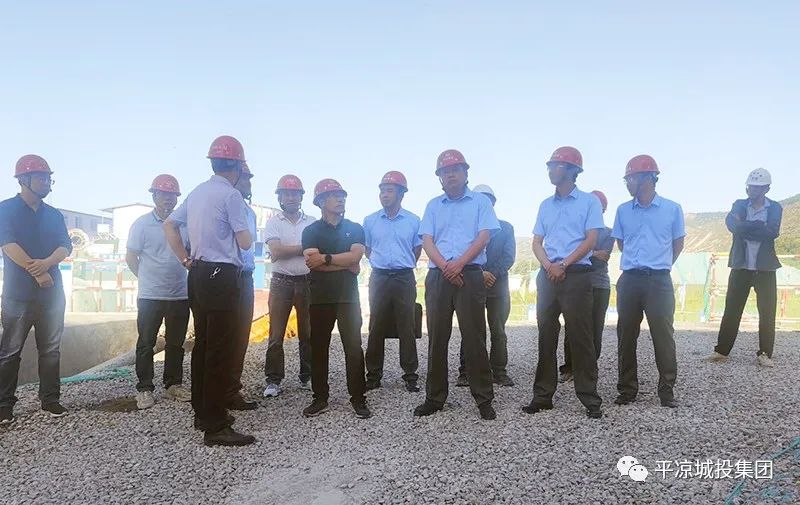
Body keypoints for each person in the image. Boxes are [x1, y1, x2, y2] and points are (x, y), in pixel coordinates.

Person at [164, 135, 255, 446]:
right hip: (222, 275)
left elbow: (169, 225)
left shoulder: (198, 192)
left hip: (199, 273)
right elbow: (245, 242)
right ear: (238, 167)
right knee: (220, 350)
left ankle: (202, 412)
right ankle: (215, 426)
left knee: (203, 345)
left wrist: (184, 257)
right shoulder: (231, 196)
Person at [414, 149, 499, 421]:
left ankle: (483, 398)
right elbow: (427, 240)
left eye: (455, 170)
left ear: (465, 173)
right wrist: (445, 267)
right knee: (437, 338)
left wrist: (459, 263)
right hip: (439, 275)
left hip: (470, 273)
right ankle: (434, 397)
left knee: (474, 337)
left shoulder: (480, 202)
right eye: (445, 171)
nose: (450, 175)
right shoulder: (433, 205)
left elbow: (484, 237)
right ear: (439, 177)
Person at [522, 146, 603, 419]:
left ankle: (590, 398)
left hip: (576, 274)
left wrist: (564, 264)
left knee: (581, 337)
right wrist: (549, 266)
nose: (550, 170)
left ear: (572, 170)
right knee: (546, 335)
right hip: (548, 274)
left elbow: (591, 239)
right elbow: (536, 242)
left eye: (555, 165)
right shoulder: (545, 205)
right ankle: (542, 396)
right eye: (549, 166)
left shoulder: (589, 202)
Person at [0, 155, 72, 425]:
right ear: (23, 180)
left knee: (51, 349)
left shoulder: (53, 214)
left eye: (48, 178)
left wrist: (47, 264)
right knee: (10, 351)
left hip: (52, 295)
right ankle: (4, 404)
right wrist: (39, 272)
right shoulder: (6, 209)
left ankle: (50, 399)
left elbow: (65, 246)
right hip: (18, 294)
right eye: (41, 178)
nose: (46, 183)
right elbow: (8, 245)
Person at [611, 154, 685, 409]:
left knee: (663, 336)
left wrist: (660, 263)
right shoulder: (622, 210)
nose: (628, 183)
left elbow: (678, 244)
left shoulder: (672, 209)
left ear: (647, 178)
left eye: (630, 178)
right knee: (626, 335)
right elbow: (622, 244)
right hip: (630, 279)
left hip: (658, 281)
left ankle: (667, 390)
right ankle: (627, 389)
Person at [301, 179, 370, 419]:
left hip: (348, 298)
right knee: (318, 348)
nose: (340, 199)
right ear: (320, 201)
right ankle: (320, 398)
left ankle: (358, 398)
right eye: (334, 195)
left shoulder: (355, 228)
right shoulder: (310, 231)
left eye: (342, 195)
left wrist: (327, 258)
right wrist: (345, 263)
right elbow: (312, 263)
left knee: (353, 347)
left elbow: (355, 257)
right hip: (320, 297)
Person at [126, 174, 192, 410]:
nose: (168, 199)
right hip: (150, 296)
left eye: (172, 195)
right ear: (154, 196)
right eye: (163, 194)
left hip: (180, 294)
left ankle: (173, 384)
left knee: (176, 342)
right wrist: (146, 279)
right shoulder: (141, 225)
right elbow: (131, 257)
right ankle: (144, 388)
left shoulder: (184, 225)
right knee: (146, 343)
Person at [709, 168, 782, 367]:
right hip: (740, 266)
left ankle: (765, 353)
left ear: (766, 189)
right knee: (732, 309)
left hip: (765, 268)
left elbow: (772, 232)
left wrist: (745, 227)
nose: (752, 190)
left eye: (757, 187)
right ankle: (722, 351)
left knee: (767, 312)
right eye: (750, 186)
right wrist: (758, 225)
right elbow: (733, 226)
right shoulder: (739, 205)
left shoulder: (775, 208)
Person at [363, 171, 422, 393]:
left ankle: (410, 375)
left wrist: (401, 264)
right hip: (379, 277)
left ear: (401, 194)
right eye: (382, 191)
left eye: (389, 191)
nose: (384, 195)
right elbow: (368, 249)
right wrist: (382, 264)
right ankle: (373, 375)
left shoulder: (413, 221)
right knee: (376, 325)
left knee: (407, 325)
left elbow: (416, 249)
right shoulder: (370, 220)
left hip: (404, 277)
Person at [456, 184, 516, 387]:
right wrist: (479, 273)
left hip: (498, 288)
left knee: (498, 331)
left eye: (488, 200)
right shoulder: (467, 228)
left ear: (493, 203)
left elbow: (508, 257)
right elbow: (461, 254)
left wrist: (491, 274)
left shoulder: (505, 228)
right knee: (471, 330)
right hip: (472, 285)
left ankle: (499, 371)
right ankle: (466, 372)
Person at [263, 175, 314, 396]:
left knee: (308, 333)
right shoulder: (273, 222)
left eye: (295, 193)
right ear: (280, 197)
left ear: (301, 197)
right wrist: (304, 247)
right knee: (276, 335)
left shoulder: (312, 222)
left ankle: (308, 377)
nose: (291, 197)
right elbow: (275, 251)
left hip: (307, 281)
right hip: (280, 283)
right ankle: (273, 380)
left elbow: (316, 250)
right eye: (286, 193)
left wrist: (286, 250)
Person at [558, 189, 614, 383]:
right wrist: (590, 252)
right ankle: (569, 367)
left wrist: (580, 253)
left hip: (599, 285)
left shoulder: (608, 232)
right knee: (572, 327)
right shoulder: (576, 229)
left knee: (595, 329)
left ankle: (588, 368)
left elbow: (602, 258)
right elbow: (570, 254)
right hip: (575, 282)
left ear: (603, 210)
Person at [226, 162, 259, 410]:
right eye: (245, 178)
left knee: (241, 336)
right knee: (223, 335)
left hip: (246, 277)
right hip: (227, 276)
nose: (249, 183)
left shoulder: (250, 213)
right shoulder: (221, 202)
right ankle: (215, 392)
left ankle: (231, 390)